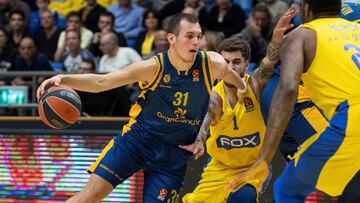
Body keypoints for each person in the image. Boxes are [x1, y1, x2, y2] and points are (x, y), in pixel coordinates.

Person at [37, 13, 247, 202]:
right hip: (137, 141)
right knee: (90, 196)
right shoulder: (153, 67)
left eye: (198, 36)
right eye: (189, 36)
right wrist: (63, 78)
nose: (195, 41)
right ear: (171, 39)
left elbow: (234, 78)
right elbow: (102, 82)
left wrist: (242, 88)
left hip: (173, 155)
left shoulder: (212, 64)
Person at [225, 0, 360, 202]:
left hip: (314, 110)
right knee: (315, 183)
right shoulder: (352, 27)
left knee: (292, 189)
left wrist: (264, 158)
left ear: (305, 8)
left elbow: (287, 89)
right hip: (298, 108)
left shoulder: (303, 34)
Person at [181, 8, 297, 203]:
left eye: (236, 62)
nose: (230, 67)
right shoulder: (213, 94)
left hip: (254, 166)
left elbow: (269, 61)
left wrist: (277, 36)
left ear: (246, 64)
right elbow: (208, 115)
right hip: (220, 167)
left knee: (242, 197)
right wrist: (199, 139)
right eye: (225, 62)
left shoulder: (256, 84)